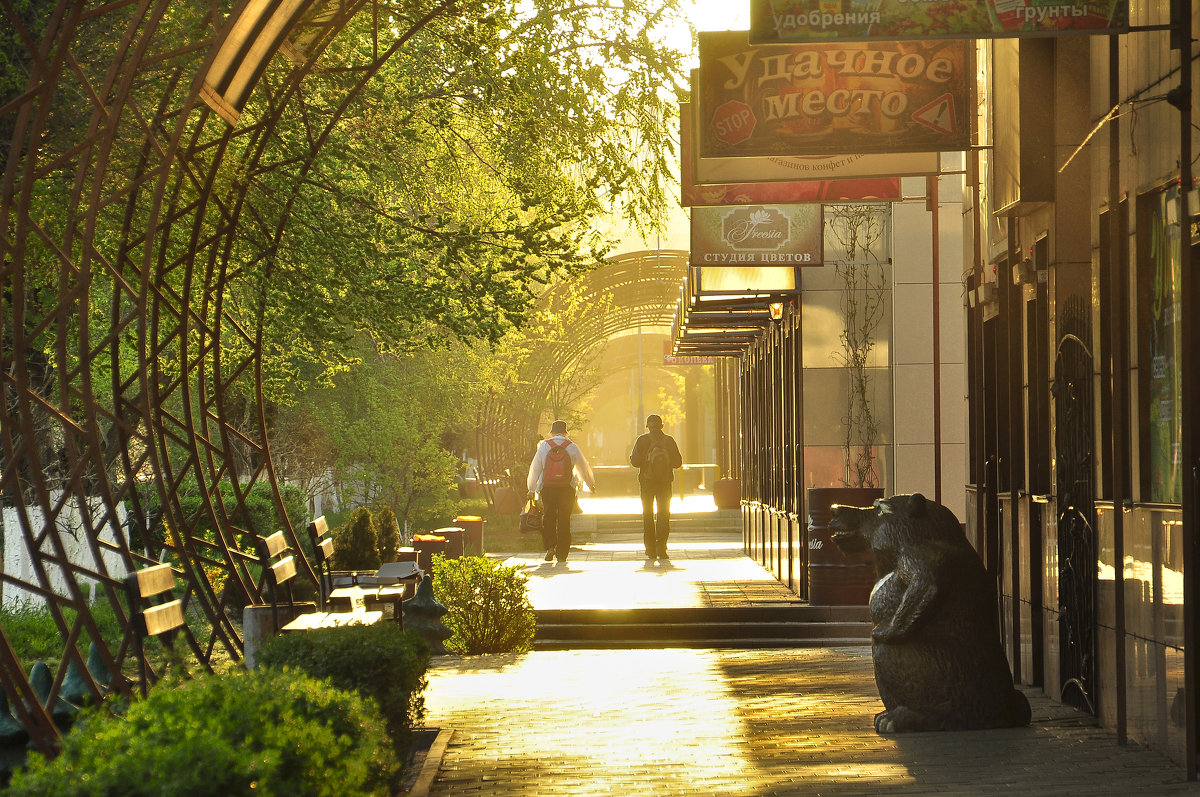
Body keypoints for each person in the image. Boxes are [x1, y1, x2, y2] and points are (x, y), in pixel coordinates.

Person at [527, 419, 597, 564]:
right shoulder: (572, 446)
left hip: (548, 488)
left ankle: (550, 547)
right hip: (566, 488)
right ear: (566, 433)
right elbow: (583, 467)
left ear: (551, 432)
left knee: (549, 517)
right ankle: (562, 554)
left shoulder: (544, 446)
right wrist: (591, 485)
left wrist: (531, 489)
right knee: (565, 520)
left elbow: (535, 468)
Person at [629, 414, 683, 561]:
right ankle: (662, 548)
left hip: (647, 483)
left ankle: (650, 549)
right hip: (665, 483)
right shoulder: (669, 440)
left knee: (648, 515)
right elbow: (678, 463)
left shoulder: (642, 440)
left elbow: (635, 462)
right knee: (664, 515)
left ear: (648, 426)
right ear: (662, 426)